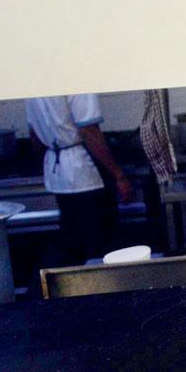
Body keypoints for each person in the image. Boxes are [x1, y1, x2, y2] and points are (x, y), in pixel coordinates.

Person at [26, 94, 132, 265]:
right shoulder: (77, 82)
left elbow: (35, 136)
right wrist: (118, 175)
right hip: (84, 173)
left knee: (73, 245)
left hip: (58, 172)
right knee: (99, 248)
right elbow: (89, 131)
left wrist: (46, 166)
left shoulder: (32, 86)